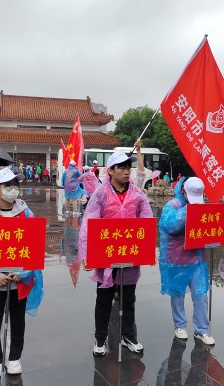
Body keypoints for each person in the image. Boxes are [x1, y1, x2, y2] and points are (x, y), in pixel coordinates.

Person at [78, 151, 153, 356]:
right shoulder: (101, 193)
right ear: (110, 171)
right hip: (106, 255)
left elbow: (146, 219)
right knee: (104, 299)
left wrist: (146, 249)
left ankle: (128, 336)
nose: (127, 171)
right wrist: (86, 253)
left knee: (128, 298)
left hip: (129, 253)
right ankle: (100, 338)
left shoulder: (137, 194)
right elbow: (89, 221)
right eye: (121, 167)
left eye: (128, 167)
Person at [0, 167, 43, 377]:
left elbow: (34, 245)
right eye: (7, 186)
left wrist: (25, 273)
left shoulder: (26, 212)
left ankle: (14, 357)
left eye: (15, 185)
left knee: (17, 321)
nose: (13, 189)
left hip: (19, 280)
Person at [158, 176, 215, 344]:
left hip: (197, 258)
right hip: (177, 259)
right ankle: (180, 325)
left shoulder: (201, 205)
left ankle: (201, 330)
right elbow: (170, 226)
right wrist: (187, 211)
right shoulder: (172, 206)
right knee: (177, 294)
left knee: (201, 294)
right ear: (183, 190)